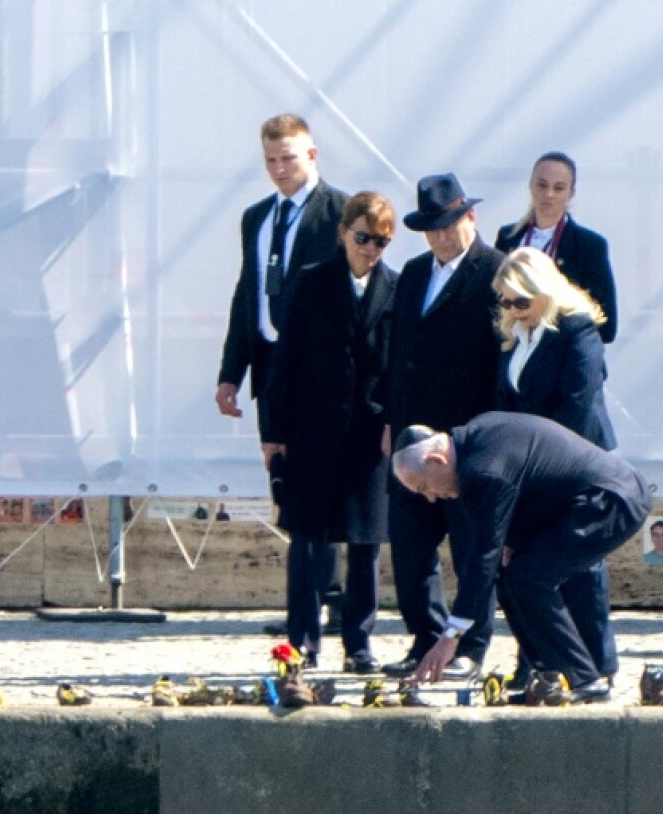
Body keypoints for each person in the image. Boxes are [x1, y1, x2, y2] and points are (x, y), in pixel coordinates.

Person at [391, 413, 651, 702]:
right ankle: (547, 678)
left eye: (424, 487)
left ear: (437, 461)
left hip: (610, 499)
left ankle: (582, 680)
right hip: (576, 503)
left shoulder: (482, 469)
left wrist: (450, 636)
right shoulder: (477, 442)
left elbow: (482, 558)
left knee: (530, 578)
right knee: (512, 577)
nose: (431, 497)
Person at [214, 113, 347, 639]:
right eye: (270, 160)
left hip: (319, 371)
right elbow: (247, 293)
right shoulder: (257, 217)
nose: (279, 169)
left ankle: (329, 597)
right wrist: (232, 370)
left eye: (288, 158)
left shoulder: (337, 210)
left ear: (312, 155)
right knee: (284, 480)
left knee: (323, 483)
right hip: (272, 366)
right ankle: (304, 598)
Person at [262, 192, 398, 673]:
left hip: (369, 436)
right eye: (362, 237)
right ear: (343, 232)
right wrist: (274, 433)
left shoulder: (395, 288)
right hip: (314, 429)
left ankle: (358, 644)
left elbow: (401, 367)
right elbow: (286, 360)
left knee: (365, 543)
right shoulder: (312, 283)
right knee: (308, 539)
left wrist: (393, 424)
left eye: (380, 241)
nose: (369, 249)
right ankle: (303, 641)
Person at [381, 173, 504, 680]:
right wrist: (392, 423)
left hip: (464, 439)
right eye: (430, 229)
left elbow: (500, 363)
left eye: (446, 226)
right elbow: (398, 354)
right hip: (414, 439)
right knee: (410, 546)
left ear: (469, 217)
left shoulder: (495, 272)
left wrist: (486, 437)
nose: (438, 237)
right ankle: (425, 638)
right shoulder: (412, 274)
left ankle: (470, 646)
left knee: (472, 548)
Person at [492, 246, 618, 684]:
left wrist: (542, 463)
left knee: (580, 565)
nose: (513, 310)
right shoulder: (516, 337)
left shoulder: (576, 330)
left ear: (544, 292)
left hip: (576, 461)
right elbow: (507, 403)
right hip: (529, 466)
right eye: (506, 302)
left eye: (520, 301)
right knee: (525, 564)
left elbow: (578, 405)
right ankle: (539, 661)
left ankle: (596, 663)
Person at [495, 152, 618, 342]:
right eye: (542, 185)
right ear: (530, 186)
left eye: (559, 188)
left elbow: (606, 325)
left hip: (558, 356)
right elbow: (495, 304)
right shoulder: (508, 237)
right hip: (513, 352)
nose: (549, 194)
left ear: (571, 193)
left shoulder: (589, 245)